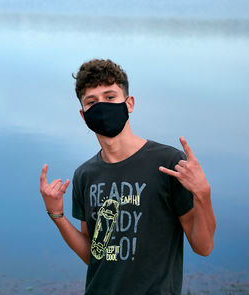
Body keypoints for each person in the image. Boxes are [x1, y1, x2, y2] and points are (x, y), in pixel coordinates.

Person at [39, 59, 216, 295]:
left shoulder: (168, 163)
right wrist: (57, 215)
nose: (101, 106)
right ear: (83, 116)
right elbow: (94, 254)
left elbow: (203, 247)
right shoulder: (85, 175)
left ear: (129, 103)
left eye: (110, 97)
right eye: (92, 102)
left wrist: (203, 193)